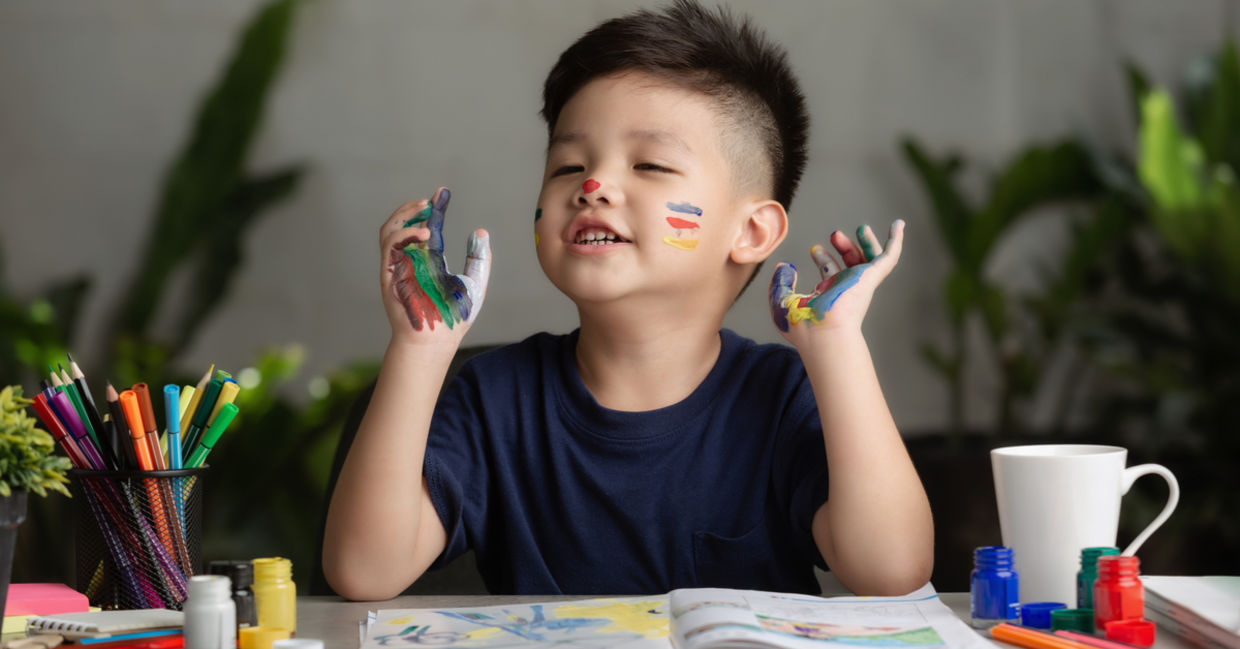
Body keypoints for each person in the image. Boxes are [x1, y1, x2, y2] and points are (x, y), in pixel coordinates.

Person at [323, 0, 933, 599]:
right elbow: (364, 572)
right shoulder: (493, 399)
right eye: (567, 166)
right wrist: (419, 343)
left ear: (750, 233)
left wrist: (838, 347)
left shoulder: (781, 396)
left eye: (649, 164)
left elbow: (891, 570)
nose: (593, 185)